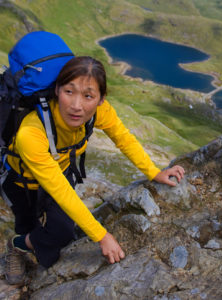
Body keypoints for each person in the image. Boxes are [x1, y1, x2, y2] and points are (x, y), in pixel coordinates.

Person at [2, 56, 185, 286]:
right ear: (57, 90)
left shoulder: (101, 111)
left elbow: (124, 139)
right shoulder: (31, 132)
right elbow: (59, 190)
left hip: (62, 169)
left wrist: (154, 172)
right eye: (69, 91)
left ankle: (33, 242)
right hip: (21, 182)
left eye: (88, 96)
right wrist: (102, 236)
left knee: (61, 233)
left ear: (100, 99)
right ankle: (17, 247)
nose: (77, 105)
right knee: (30, 226)